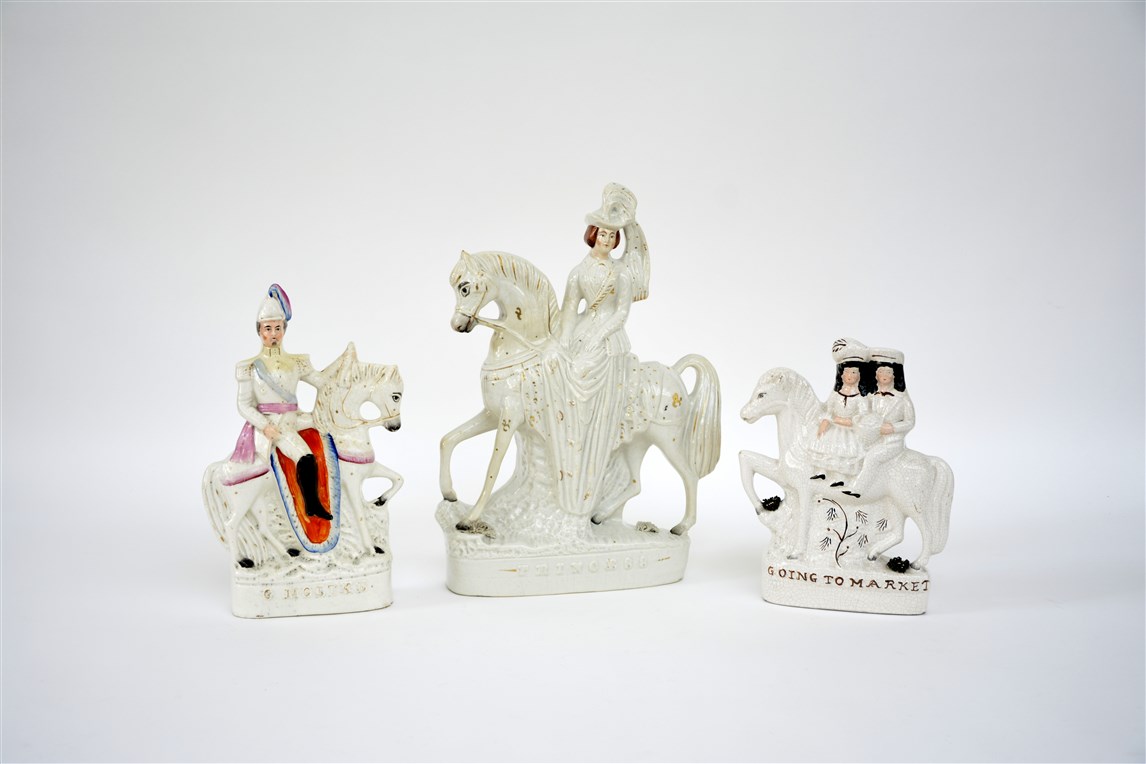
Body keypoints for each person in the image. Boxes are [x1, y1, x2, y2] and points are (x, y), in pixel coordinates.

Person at [552, 183, 650, 514]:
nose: (607, 240)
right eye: (602, 234)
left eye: (612, 236)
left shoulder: (620, 273)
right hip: (582, 332)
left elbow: (621, 313)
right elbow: (569, 309)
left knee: (591, 376)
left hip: (608, 338)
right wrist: (564, 338)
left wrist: (599, 334)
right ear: (592, 235)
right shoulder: (578, 272)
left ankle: (597, 442)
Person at [226, 284, 332, 521]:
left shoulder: (297, 362)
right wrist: (264, 426)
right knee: (306, 458)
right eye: (268, 329)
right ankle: (311, 506)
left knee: (329, 429)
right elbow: (244, 405)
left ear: (284, 330)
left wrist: (339, 374)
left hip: (296, 418)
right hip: (275, 425)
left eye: (277, 328)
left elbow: (320, 381)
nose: (273, 334)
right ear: (259, 331)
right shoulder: (249, 367)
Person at [842, 349, 914, 498]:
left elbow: (910, 421)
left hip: (891, 442)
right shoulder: (871, 397)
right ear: (876, 375)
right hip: (870, 439)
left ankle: (858, 489)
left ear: (894, 376)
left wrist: (893, 427)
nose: (884, 375)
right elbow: (862, 413)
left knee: (872, 457)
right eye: (881, 372)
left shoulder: (902, 399)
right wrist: (858, 420)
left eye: (888, 372)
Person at [807, 342, 871, 485]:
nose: (850, 375)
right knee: (824, 444)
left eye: (853, 372)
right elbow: (829, 410)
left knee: (844, 452)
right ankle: (822, 472)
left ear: (859, 376)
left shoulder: (860, 398)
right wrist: (826, 420)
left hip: (849, 431)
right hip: (834, 427)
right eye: (847, 372)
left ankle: (841, 477)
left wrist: (849, 421)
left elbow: (863, 416)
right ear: (842, 375)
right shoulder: (836, 394)